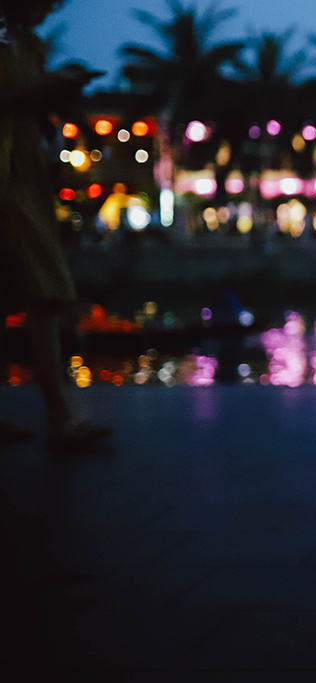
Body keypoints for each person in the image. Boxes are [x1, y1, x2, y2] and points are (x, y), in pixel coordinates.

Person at [0, 0, 110, 449]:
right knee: (45, 290)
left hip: (21, 173)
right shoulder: (15, 41)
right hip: (12, 180)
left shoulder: (27, 42)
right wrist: (49, 87)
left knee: (41, 291)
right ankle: (61, 417)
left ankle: (61, 415)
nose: (49, 9)